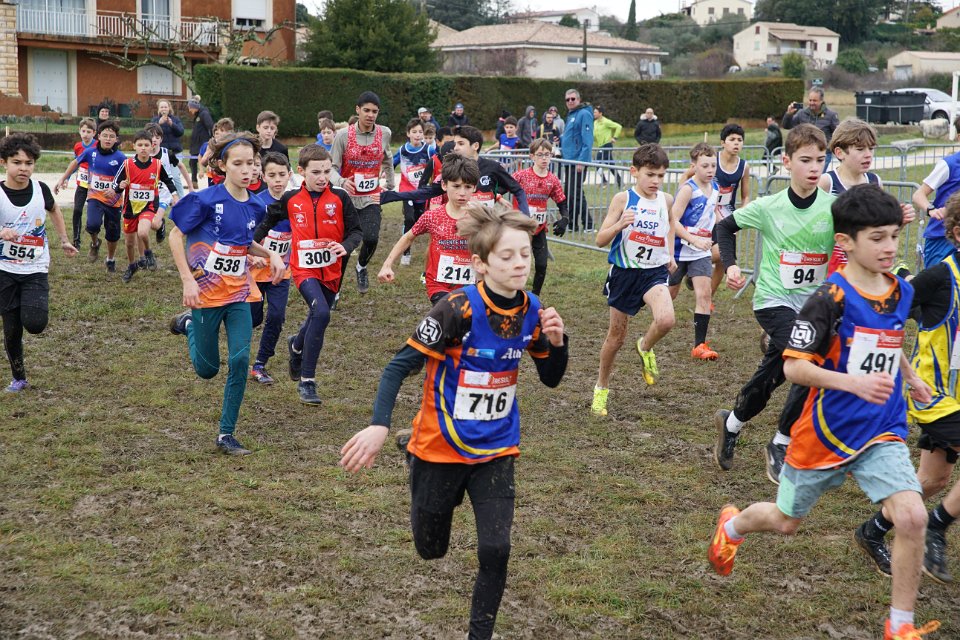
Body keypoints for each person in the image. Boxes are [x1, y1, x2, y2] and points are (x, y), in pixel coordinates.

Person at [708, 184, 939, 640]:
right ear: (846, 242)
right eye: (877, 238)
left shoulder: (899, 291)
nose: (890, 247)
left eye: (894, 236)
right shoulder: (827, 300)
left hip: (881, 427)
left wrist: (910, 377)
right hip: (826, 432)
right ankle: (731, 527)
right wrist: (853, 382)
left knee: (913, 516)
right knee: (785, 521)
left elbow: (889, 339)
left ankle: (900, 626)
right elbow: (793, 368)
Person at [339, 203, 568, 640]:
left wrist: (558, 343)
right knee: (431, 549)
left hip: (497, 449)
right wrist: (379, 424)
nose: (520, 264)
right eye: (507, 256)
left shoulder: (533, 309)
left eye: (524, 254)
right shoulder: (456, 309)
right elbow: (397, 367)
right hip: (439, 448)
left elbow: (552, 378)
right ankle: (411, 455)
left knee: (497, 549)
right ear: (480, 264)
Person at [713, 124, 836, 483]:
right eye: (805, 160)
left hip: (812, 308)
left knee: (775, 372)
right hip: (773, 300)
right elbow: (724, 228)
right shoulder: (770, 207)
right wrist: (731, 264)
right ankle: (781, 443)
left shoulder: (833, 208)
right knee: (806, 358)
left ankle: (731, 423)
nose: (814, 167)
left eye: (820, 160)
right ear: (786, 162)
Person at [852, 191, 960, 587]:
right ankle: (937, 526)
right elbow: (886, 312)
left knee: (933, 480)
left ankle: (873, 530)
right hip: (935, 395)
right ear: (958, 233)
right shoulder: (940, 278)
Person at [167, 132, 286, 455]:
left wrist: (270, 255)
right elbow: (176, 236)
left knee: (240, 359)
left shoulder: (257, 205)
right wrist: (187, 280)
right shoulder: (205, 200)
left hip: (239, 293)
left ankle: (226, 434)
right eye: (239, 164)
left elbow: (244, 242)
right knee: (207, 370)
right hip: (205, 294)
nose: (247, 170)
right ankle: (189, 324)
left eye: (252, 163)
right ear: (222, 165)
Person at [255, 144, 362, 405]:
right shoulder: (290, 199)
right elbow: (265, 224)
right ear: (302, 171)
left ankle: (296, 344)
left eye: (327, 171)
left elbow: (356, 231)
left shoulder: (340, 198)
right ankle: (307, 381)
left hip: (333, 269)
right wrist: (249, 247)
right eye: (316, 172)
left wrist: (346, 246)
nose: (322, 177)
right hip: (303, 269)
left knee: (318, 315)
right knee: (322, 313)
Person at [592, 144, 676, 417]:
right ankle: (601, 387)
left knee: (666, 320)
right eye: (650, 174)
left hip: (654, 272)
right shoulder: (623, 199)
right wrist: (619, 225)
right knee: (616, 338)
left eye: (660, 176)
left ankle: (645, 346)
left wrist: (670, 254)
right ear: (634, 172)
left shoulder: (666, 200)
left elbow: (671, 225)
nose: (656, 181)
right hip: (624, 274)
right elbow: (600, 239)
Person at [0, 133, 78, 393]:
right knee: (11, 330)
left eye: (29, 163)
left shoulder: (41, 189)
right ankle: (19, 377)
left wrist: (64, 239)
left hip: (35, 268)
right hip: (5, 270)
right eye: (17, 162)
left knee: (35, 323)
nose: (23, 168)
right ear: (4, 163)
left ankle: (29, 305)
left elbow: (54, 209)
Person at [378, 156, 480, 304]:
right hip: (438, 285)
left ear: (475, 187)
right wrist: (387, 265)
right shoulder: (432, 216)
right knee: (451, 310)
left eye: (468, 187)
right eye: (456, 186)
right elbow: (408, 237)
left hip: (471, 285)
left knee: (467, 317)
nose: (462, 192)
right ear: (444, 185)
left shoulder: (480, 218)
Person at [330, 91, 395, 297]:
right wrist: (341, 182)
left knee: (371, 238)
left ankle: (361, 266)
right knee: (344, 248)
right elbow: (331, 167)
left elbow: (388, 158)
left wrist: (390, 184)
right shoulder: (343, 135)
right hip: (347, 199)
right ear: (357, 110)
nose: (370, 115)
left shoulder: (384, 133)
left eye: (374, 111)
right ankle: (335, 292)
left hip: (371, 197)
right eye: (366, 110)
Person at [382, 125, 529, 215]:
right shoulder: (454, 169)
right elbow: (427, 192)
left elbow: (517, 189)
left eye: (460, 143)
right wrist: (392, 196)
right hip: (461, 229)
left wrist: (524, 214)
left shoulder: (492, 167)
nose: (456, 148)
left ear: (475, 146)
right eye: (455, 143)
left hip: (486, 229)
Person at [668, 142, 719, 360]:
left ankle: (700, 345)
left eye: (713, 166)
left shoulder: (715, 188)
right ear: (694, 166)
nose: (710, 170)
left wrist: (728, 225)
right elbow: (673, 220)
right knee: (669, 295)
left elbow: (712, 213)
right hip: (679, 250)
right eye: (705, 166)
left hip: (701, 252)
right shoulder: (688, 190)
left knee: (704, 294)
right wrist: (693, 239)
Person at [55, 120, 126, 273]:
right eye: (105, 135)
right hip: (95, 197)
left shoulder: (121, 158)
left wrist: (116, 189)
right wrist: (63, 179)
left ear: (116, 139)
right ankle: (95, 243)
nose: (108, 139)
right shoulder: (90, 152)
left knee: (112, 234)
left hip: (113, 201)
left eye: (111, 136)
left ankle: (110, 258)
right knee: (92, 225)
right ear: (98, 136)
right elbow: (75, 163)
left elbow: (127, 179)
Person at [247, 152, 293, 385]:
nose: (277, 180)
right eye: (272, 175)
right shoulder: (256, 203)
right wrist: (249, 255)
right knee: (253, 320)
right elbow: (243, 235)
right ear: (263, 176)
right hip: (254, 272)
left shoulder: (295, 203)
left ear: (289, 175)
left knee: (276, 316)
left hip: (280, 272)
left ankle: (260, 364)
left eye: (282, 175)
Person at [111, 129, 179, 282]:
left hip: (148, 206)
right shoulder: (127, 164)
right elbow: (116, 184)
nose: (143, 148)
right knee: (129, 243)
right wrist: (120, 186)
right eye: (140, 145)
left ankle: (148, 253)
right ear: (134, 146)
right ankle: (132, 266)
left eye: (146, 145)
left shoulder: (157, 164)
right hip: (130, 208)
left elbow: (168, 181)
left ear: (151, 146)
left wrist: (175, 196)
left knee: (142, 233)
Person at [511, 138, 569, 296]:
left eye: (547, 155)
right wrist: (496, 198)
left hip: (539, 228)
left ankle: (535, 297)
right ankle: (513, 294)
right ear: (532, 156)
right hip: (519, 228)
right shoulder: (521, 176)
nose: (544, 158)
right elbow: (502, 187)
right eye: (540, 155)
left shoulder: (552, 180)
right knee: (516, 263)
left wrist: (565, 219)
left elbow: (561, 201)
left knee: (542, 265)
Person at [912, 118, 960, 269]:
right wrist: (931, 210)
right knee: (937, 281)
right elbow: (918, 194)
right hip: (941, 237)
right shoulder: (949, 165)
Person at [393, 118, 431, 266]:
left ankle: (407, 232)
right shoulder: (402, 150)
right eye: (414, 132)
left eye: (420, 132)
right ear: (408, 134)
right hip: (407, 191)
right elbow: (392, 163)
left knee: (419, 222)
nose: (418, 135)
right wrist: (386, 172)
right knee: (409, 219)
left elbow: (437, 163)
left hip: (422, 192)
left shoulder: (428, 150)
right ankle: (406, 253)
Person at [782, 87, 840, 168]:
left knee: (817, 174)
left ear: (821, 101)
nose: (812, 103)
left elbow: (837, 134)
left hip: (822, 153)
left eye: (815, 100)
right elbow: (787, 126)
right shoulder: (801, 113)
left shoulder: (831, 115)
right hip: (804, 151)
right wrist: (789, 114)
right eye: (810, 100)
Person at [560, 89, 593, 231]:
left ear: (579, 100)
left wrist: (582, 160)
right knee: (571, 193)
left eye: (573, 99)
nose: (570, 101)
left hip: (577, 161)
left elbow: (587, 139)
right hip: (569, 160)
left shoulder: (584, 114)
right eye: (567, 99)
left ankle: (586, 224)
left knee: (575, 193)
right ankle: (574, 224)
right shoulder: (571, 115)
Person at [69, 118, 96, 250]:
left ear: (94, 133)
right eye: (83, 131)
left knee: (93, 217)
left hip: (95, 186)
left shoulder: (97, 146)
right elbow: (75, 163)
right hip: (82, 184)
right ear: (79, 131)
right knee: (77, 210)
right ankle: (76, 240)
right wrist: (67, 178)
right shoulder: (78, 146)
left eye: (88, 132)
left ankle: (95, 240)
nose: (85, 134)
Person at [150, 99, 185, 195]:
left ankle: (181, 197)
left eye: (165, 107)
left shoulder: (175, 119)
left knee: (175, 176)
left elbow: (181, 132)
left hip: (175, 152)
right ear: (158, 109)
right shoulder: (155, 120)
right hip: (161, 153)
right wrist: (159, 123)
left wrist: (172, 124)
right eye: (161, 107)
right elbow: (149, 132)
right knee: (161, 176)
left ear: (169, 108)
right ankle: (165, 196)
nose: (164, 109)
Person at [187, 96, 214, 190]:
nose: (189, 110)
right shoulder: (197, 116)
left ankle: (210, 181)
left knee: (202, 161)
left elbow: (210, 126)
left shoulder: (204, 114)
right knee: (192, 162)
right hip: (195, 144)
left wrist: (212, 140)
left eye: (190, 107)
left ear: (195, 107)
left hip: (202, 143)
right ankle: (194, 181)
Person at [592, 105, 622, 188]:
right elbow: (595, 135)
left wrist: (615, 137)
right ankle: (620, 182)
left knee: (596, 161)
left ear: (600, 113)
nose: (593, 114)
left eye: (595, 112)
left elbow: (618, 126)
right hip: (600, 146)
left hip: (607, 144)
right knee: (610, 165)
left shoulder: (606, 121)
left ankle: (604, 181)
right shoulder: (595, 123)